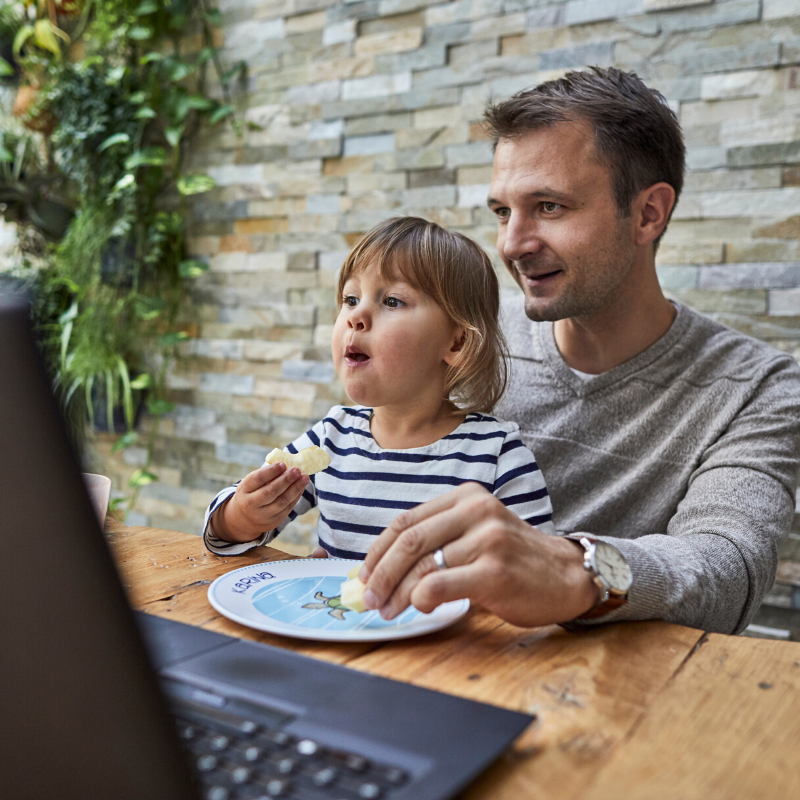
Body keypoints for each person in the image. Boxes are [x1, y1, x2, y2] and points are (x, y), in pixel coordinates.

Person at [356, 67, 800, 635]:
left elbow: (729, 571)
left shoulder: (756, 388)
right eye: (502, 211)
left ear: (648, 214)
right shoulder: (466, 335)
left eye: (549, 206)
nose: (512, 243)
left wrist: (582, 570)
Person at [202, 216, 555, 559]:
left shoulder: (497, 457)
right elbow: (224, 535)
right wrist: (243, 517)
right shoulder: (332, 437)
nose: (356, 316)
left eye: (392, 301)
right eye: (351, 299)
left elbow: (539, 576)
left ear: (457, 343)